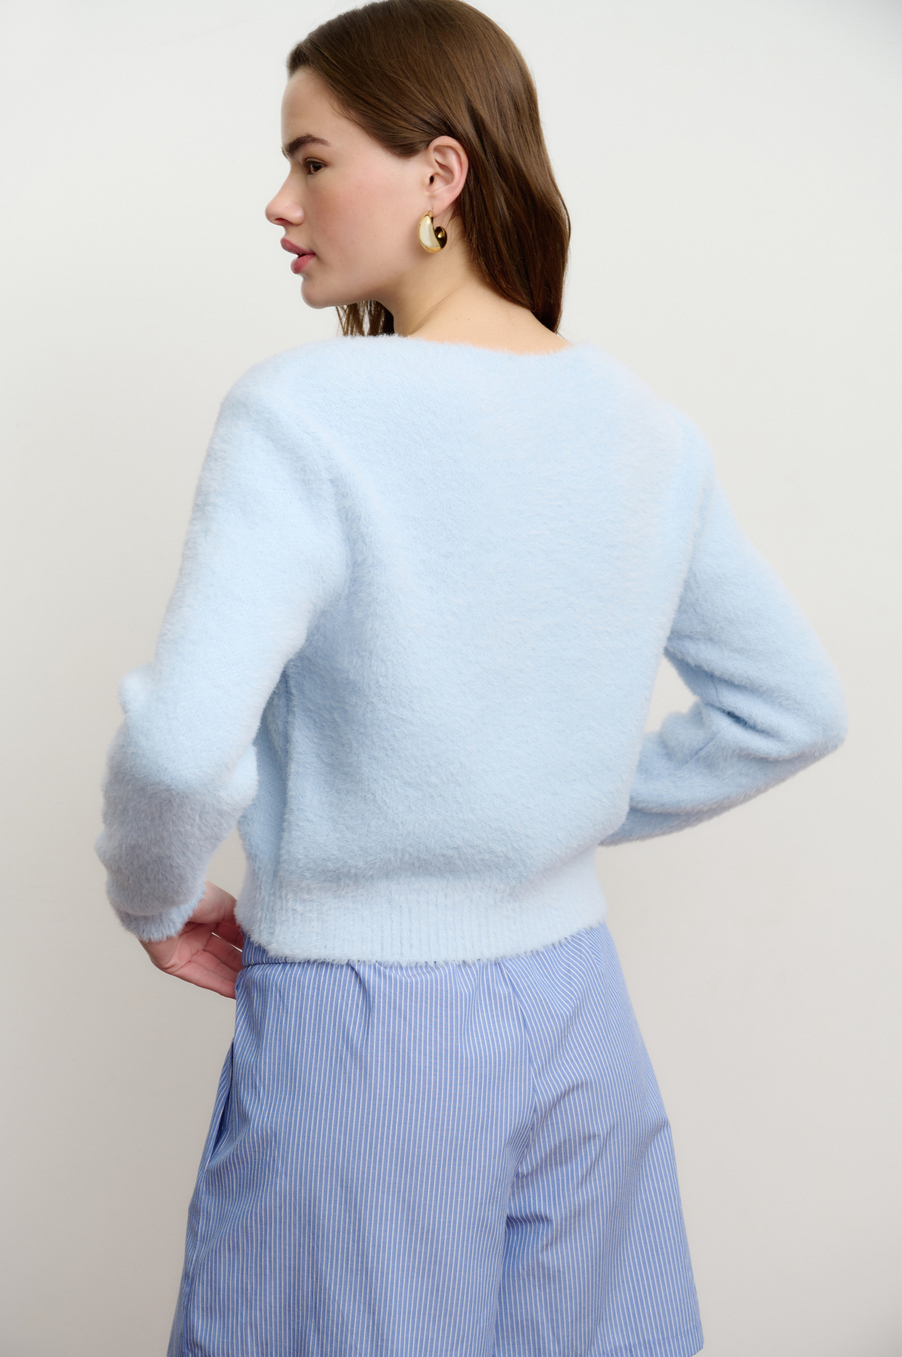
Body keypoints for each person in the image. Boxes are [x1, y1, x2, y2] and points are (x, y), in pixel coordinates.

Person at [94, 1, 848, 1353]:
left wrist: (154, 899)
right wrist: (550, 801)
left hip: (367, 1035)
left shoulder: (306, 415)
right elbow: (791, 709)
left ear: (439, 172)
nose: (279, 202)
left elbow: (178, 747)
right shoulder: (643, 428)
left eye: (312, 159)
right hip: (581, 1017)